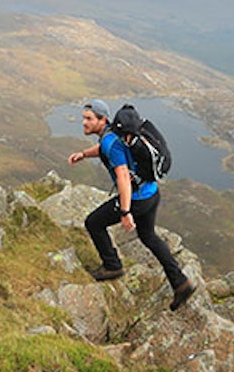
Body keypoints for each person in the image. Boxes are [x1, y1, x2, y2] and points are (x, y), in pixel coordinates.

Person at [67, 98, 195, 311]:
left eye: (89, 119)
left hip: (136, 200)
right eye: (83, 118)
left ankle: (112, 266)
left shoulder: (111, 142)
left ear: (103, 119)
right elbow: (102, 149)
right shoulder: (115, 134)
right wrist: (83, 154)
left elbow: (123, 176)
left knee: (93, 223)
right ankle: (181, 283)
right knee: (149, 237)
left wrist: (125, 211)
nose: (84, 123)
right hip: (151, 193)